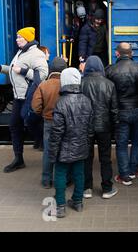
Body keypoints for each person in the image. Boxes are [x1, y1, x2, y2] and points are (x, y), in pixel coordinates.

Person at [0, 27, 48, 173]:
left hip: (29, 97)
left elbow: (42, 74)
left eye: (19, 37)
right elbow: (14, 70)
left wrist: (23, 71)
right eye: (17, 37)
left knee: (32, 124)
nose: (17, 40)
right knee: (14, 126)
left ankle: (47, 150)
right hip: (18, 97)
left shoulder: (36, 54)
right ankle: (18, 159)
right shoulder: (20, 52)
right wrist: (1, 68)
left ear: (28, 38)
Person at [48, 68, 94, 218]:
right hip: (81, 146)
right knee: (79, 173)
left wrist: (52, 152)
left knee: (60, 174)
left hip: (64, 148)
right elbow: (90, 128)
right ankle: (78, 202)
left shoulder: (60, 103)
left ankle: (60, 206)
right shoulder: (87, 101)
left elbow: (56, 132)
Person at [106, 43, 138, 185]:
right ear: (132, 53)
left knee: (122, 144)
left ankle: (124, 176)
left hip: (121, 111)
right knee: (137, 142)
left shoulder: (110, 70)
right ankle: (133, 170)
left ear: (117, 53)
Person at [81, 55, 119, 199]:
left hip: (86, 126)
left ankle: (87, 188)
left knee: (86, 158)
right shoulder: (109, 84)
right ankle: (107, 188)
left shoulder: (81, 83)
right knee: (105, 158)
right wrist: (115, 127)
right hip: (104, 126)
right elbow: (114, 109)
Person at [31, 57, 68, 188]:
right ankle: (65, 179)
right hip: (65, 122)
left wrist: (44, 113)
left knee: (48, 150)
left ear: (51, 69)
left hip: (49, 121)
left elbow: (35, 106)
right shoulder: (67, 84)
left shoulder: (44, 85)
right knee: (64, 150)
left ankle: (46, 180)